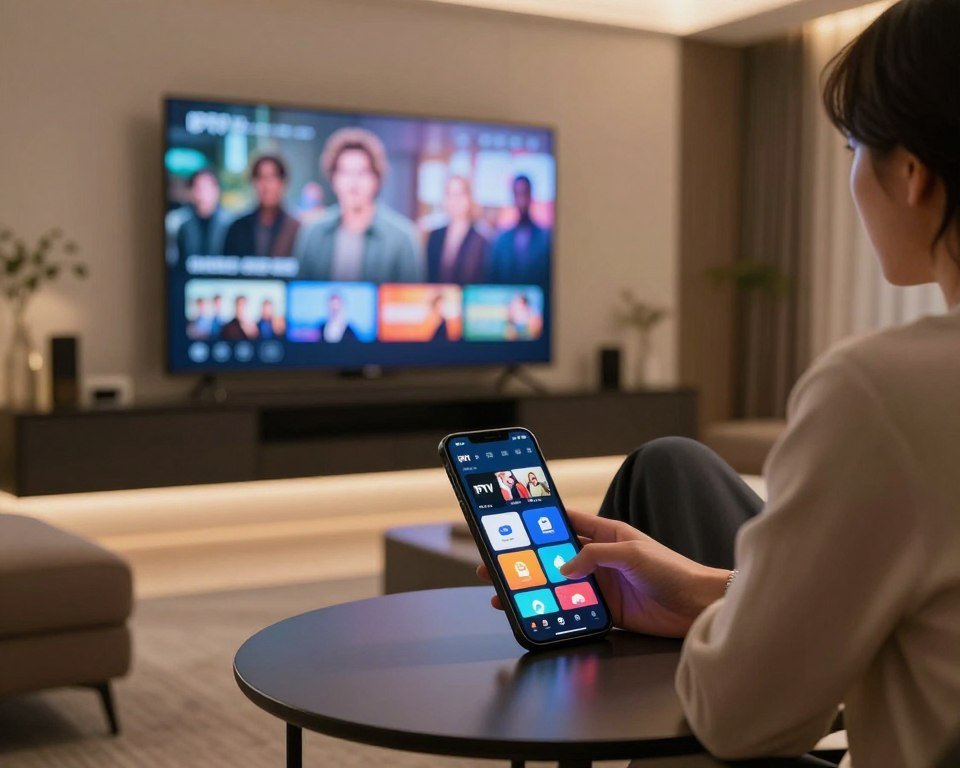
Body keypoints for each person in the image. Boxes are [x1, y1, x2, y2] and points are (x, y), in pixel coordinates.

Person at [480, 2, 960, 766]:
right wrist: (704, 588)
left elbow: (739, 721)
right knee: (671, 467)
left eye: (853, 147)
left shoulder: (885, 391)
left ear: (911, 172)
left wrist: (718, 632)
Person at [294, 128, 424, 283]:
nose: (353, 182)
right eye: (345, 172)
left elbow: (412, 301)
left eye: (362, 172)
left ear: (376, 179)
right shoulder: (313, 233)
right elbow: (300, 295)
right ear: (333, 178)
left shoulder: (402, 238)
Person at [223, 155, 300, 257]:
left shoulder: (296, 230)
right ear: (253, 183)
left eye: (272, 177)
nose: (266, 185)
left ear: (282, 182)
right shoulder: (238, 228)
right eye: (260, 177)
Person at [489, 175, 551, 285]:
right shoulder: (501, 241)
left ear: (531, 196)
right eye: (517, 195)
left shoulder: (546, 239)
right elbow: (493, 278)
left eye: (525, 194)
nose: (522, 201)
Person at [426, 176, 489, 283]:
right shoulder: (435, 236)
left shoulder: (480, 241)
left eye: (457, 195)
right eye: (448, 194)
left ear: (468, 199)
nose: (453, 200)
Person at [175, 168, 231, 262]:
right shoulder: (184, 227)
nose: (202, 194)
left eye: (206, 188)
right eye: (198, 188)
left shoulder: (230, 225)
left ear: (217, 190)